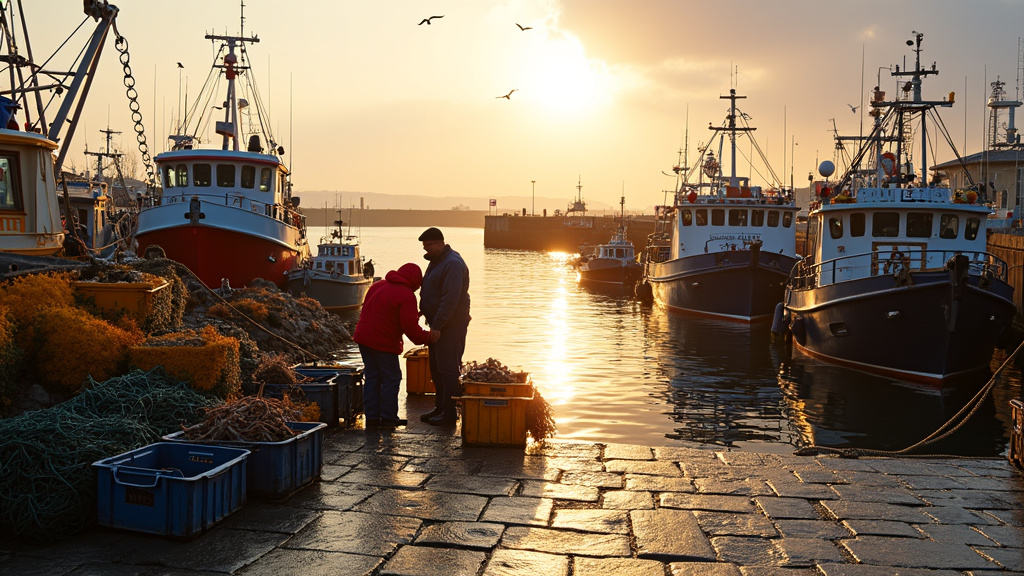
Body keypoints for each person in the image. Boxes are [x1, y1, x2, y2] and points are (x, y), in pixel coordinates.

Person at [353, 262, 433, 428]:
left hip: (363, 337)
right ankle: (388, 418)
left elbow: (384, 311)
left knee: (372, 378)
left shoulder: (379, 285)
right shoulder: (406, 295)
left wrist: (415, 314)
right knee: (392, 378)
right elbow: (411, 330)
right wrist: (429, 337)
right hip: (382, 341)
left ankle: (373, 419)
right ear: (415, 280)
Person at [417, 227, 470, 426]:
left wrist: (438, 325)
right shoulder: (437, 261)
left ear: (440, 243)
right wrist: (424, 311)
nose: (427, 249)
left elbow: (450, 299)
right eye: (425, 246)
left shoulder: (452, 264)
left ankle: (449, 413)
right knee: (437, 368)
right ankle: (439, 407)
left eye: (430, 245)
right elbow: (432, 291)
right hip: (438, 323)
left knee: (448, 369)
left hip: (451, 325)